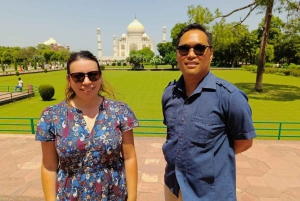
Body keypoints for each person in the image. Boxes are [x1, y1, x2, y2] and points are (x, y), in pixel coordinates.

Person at [161, 23, 256, 200]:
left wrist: (210, 158)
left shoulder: (229, 97)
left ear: (210, 54)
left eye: (199, 49)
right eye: (184, 49)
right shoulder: (169, 94)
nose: (191, 55)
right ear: (177, 54)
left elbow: (245, 141)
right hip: (173, 186)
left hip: (210, 193)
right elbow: (174, 136)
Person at [35, 50, 138, 200]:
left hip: (113, 194)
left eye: (93, 75)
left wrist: (132, 198)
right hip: (70, 195)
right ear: (69, 79)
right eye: (78, 77)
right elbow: (49, 166)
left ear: (100, 76)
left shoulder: (119, 111)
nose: (87, 82)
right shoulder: (52, 116)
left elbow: (129, 158)